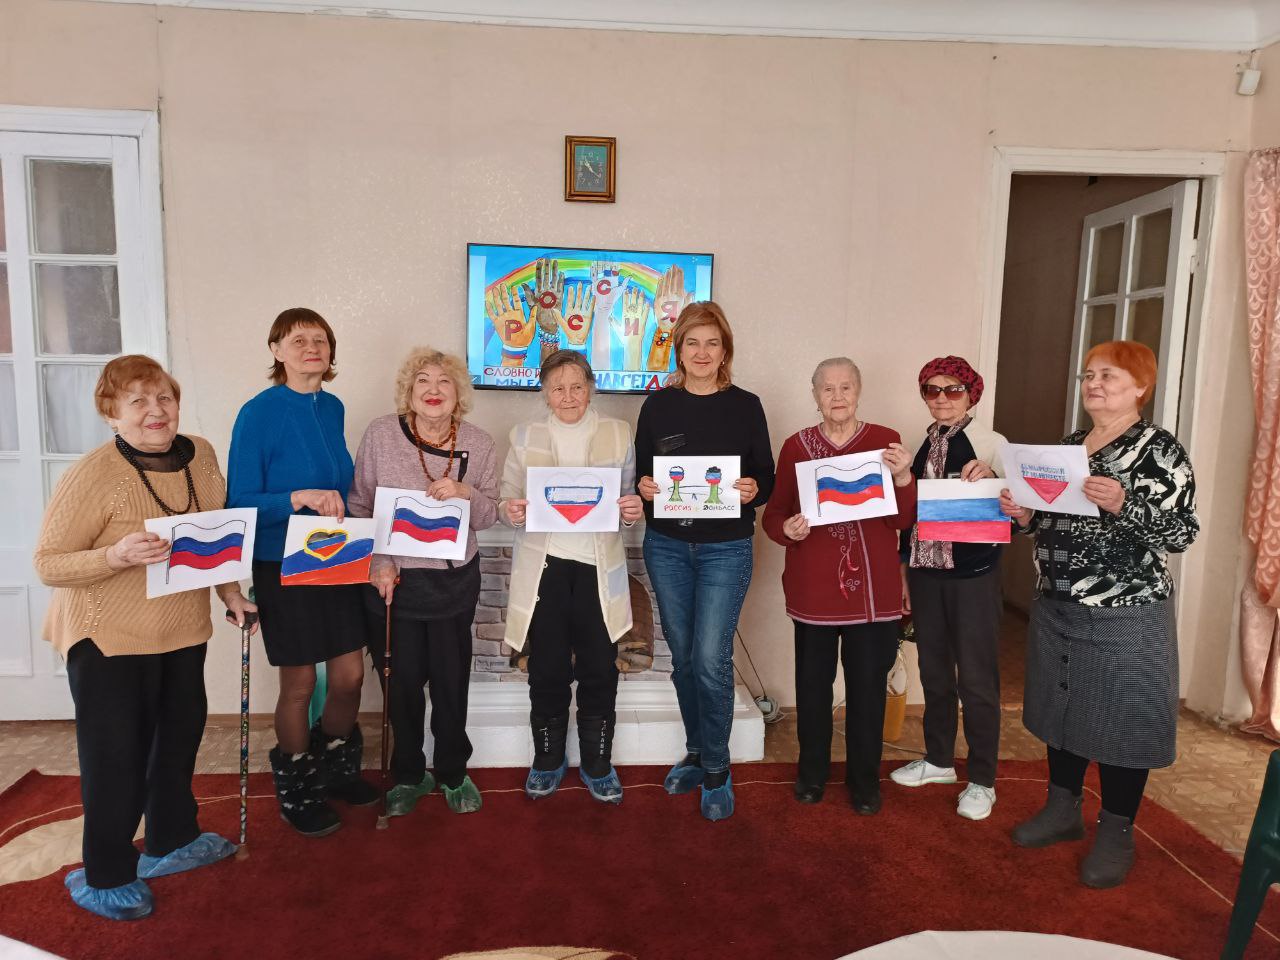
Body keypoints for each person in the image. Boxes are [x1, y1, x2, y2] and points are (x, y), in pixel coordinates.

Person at [34, 355, 258, 920]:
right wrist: (114, 556)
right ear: (112, 414)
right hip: (107, 638)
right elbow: (48, 562)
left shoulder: (200, 454)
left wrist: (231, 595)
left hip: (181, 630)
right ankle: (106, 873)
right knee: (116, 758)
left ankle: (172, 838)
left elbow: (213, 534)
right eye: (137, 401)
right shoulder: (93, 474)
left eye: (164, 398)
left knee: (178, 741)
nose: (155, 411)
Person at [1000, 340, 1198, 888]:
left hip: (1126, 612)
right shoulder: (1069, 446)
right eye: (1089, 375)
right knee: (1061, 709)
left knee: (1123, 721)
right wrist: (1023, 516)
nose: (1094, 384)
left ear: (1140, 387)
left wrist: (1123, 503)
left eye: (1109, 376)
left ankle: (1116, 831)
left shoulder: (1160, 450)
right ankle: (1062, 810)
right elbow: (1048, 519)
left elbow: (1182, 533)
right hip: (1058, 605)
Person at [227, 307, 377, 838]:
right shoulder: (258, 412)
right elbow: (239, 501)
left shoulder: (332, 407)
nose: (311, 348)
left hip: (337, 554)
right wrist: (298, 497)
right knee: (299, 683)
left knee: (350, 676)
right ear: (276, 350)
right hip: (281, 561)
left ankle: (335, 767)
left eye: (320, 340)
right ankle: (299, 788)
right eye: (298, 340)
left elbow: (344, 486)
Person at [635, 301, 775, 821]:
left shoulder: (746, 405)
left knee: (712, 660)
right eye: (692, 342)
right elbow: (642, 475)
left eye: (712, 343)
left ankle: (717, 768)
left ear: (724, 351)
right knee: (685, 659)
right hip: (667, 546)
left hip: (725, 549)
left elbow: (766, 477)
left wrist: (753, 489)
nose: (702, 352)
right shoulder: (657, 407)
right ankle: (697, 751)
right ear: (679, 350)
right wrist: (645, 487)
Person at [762, 357, 916, 816]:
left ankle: (864, 781)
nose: (837, 396)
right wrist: (785, 529)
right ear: (815, 395)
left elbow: (903, 521)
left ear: (859, 390)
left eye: (845, 387)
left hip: (873, 593)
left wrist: (903, 477)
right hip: (813, 592)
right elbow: (774, 513)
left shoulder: (885, 441)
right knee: (813, 689)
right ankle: (811, 774)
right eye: (827, 388)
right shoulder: (796, 446)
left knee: (868, 690)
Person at [349, 348, 497, 816]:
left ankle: (453, 772)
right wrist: (379, 561)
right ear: (408, 391)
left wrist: (466, 492)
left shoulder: (479, 442)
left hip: (453, 584)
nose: (433, 390)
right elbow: (360, 505)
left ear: (458, 392)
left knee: (452, 685)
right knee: (402, 688)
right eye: (423, 381)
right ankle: (409, 774)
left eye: (444, 382)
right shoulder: (380, 434)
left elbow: (488, 516)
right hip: (393, 583)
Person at [500, 350, 644, 802]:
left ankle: (598, 763)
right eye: (558, 388)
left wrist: (632, 510)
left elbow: (627, 502)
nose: (568, 396)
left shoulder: (618, 432)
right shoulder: (524, 435)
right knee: (547, 669)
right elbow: (507, 498)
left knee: (600, 667)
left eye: (577, 386)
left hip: (598, 568)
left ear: (591, 388)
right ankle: (547, 760)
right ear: (544, 392)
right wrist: (510, 510)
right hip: (545, 567)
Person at [890, 356, 1007, 822]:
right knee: (935, 673)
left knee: (976, 679)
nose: (941, 398)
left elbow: (1020, 511)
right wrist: (904, 569)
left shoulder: (992, 442)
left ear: (971, 394)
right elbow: (911, 515)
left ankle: (982, 779)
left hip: (974, 576)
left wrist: (994, 479)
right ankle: (939, 760)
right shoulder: (923, 443)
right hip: (926, 573)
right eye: (931, 390)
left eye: (952, 389)